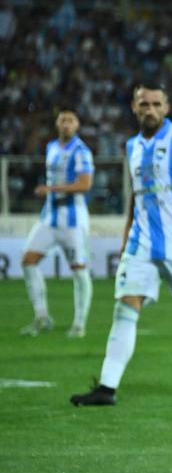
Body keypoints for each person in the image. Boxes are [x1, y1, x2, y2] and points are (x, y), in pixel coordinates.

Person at [70, 83, 172, 406]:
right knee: (125, 308)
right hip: (141, 243)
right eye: (144, 104)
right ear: (134, 107)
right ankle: (107, 387)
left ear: (166, 108)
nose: (150, 110)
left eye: (157, 104)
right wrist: (127, 234)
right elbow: (137, 196)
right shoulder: (132, 146)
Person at [20, 107, 94, 338]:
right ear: (57, 124)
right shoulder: (51, 147)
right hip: (49, 216)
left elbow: (85, 184)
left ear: (77, 125)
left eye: (70, 120)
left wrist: (51, 189)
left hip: (72, 219)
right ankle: (42, 317)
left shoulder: (81, 151)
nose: (66, 124)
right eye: (62, 120)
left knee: (79, 270)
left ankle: (80, 323)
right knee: (28, 261)